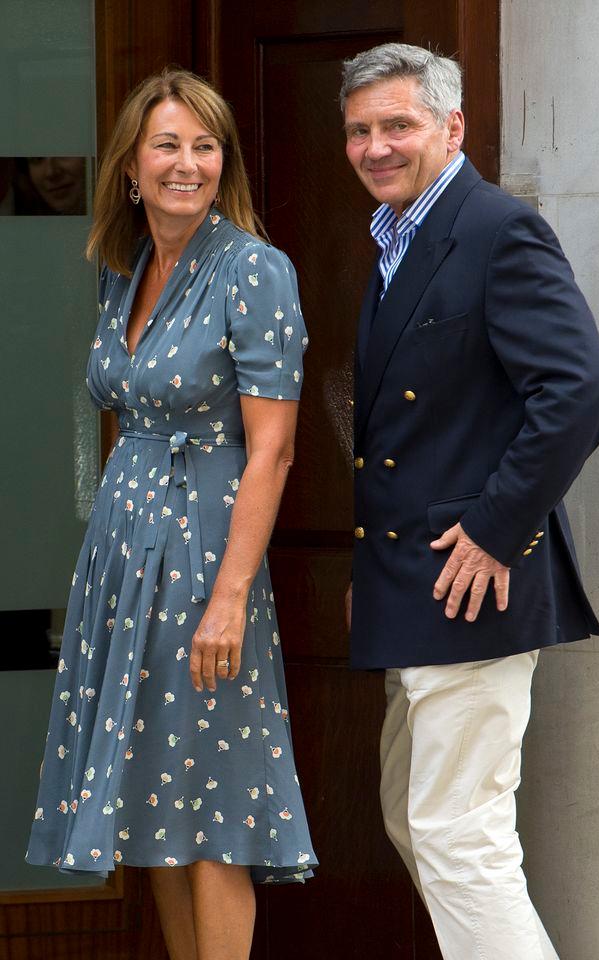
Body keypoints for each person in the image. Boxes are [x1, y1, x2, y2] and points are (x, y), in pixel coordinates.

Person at [27, 68, 317, 960]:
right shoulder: (129, 268)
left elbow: (272, 449)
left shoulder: (254, 270)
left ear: (221, 162)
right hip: (123, 552)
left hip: (204, 552)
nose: (185, 163)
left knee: (215, 801)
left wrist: (229, 596)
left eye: (203, 145)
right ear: (129, 167)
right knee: (149, 794)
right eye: (166, 144)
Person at [341, 43, 599, 960]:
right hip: (410, 586)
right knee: (417, 822)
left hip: (473, 585)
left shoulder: (496, 228)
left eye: (397, 125)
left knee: (459, 836)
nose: (376, 146)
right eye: (360, 130)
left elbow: (577, 388)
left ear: (451, 127)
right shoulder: (397, 237)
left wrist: (497, 530)